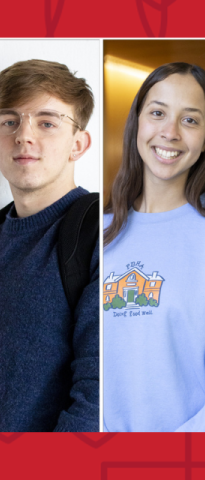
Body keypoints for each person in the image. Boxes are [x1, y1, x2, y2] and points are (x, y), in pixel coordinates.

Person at [0, 59, 99, 432]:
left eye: (47, 122)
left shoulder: (101, 233)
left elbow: (99, 392)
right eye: (10, 121)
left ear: (78, 144)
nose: (24, 135)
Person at [104, 62, 205, 432]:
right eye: (158, 113)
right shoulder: (94, 237)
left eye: (190, 120)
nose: (170, 132)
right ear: (137, 123)